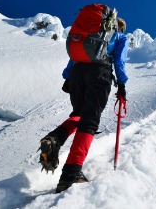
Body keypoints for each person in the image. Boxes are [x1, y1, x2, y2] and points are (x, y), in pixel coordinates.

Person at [39, 17, 129, 193]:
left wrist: (68, 77)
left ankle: (55, 138)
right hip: (99, 73)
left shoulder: (90, 36)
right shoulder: (119, 37)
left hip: (77, 73)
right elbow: (119, 61)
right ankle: (71, 174)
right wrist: (122, 84)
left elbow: (74, 57)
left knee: (78, 115)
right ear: (120, 28)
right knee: (89, 121)